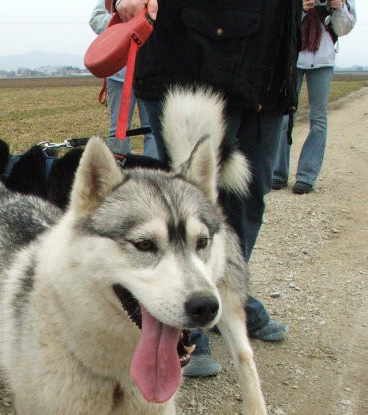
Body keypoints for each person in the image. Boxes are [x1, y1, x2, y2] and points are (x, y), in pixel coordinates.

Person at [113, 0, 300, 376]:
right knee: (184, 201)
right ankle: (182, 325)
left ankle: (228, 297)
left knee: (249, 196)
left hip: (268, 60)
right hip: (191, 51)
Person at [273, 0, 356, 194]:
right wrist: (300, 8)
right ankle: (277, 172)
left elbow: (344, 29)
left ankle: (306, 176)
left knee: (318, 118)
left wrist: (337, 8)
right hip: (293, 56)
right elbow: (280, 21)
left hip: (323, 59)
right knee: (284, 115)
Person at [89, 0, 160, 158]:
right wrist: (128, 22)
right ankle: (117, 174)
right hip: (120, 74)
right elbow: (96, 19)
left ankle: (153, 174)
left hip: (152, 69)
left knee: (152, 129)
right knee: (119, 131)